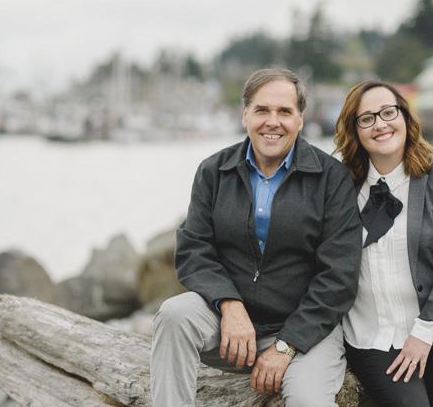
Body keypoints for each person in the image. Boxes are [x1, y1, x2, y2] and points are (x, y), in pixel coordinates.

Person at [150, 68, 362, 406]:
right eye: (262, 110)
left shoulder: (331, 178)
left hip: (306, 330)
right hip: (229, 327)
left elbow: (339, 276)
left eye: (284, 111)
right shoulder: (213, 171)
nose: (272, 122)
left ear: (301, 119)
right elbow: (193, 249)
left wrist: (285, 346)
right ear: (245, 114)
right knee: (174, 315)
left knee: (308, 402)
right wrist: (229, 305)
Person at [334, 80, 433, 406]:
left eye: (388, 112)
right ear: (354, 130)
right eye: (367, 118)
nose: (380, 124)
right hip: (374, 338)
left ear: (405, 117)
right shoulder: (340, 187)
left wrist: (423, 334)